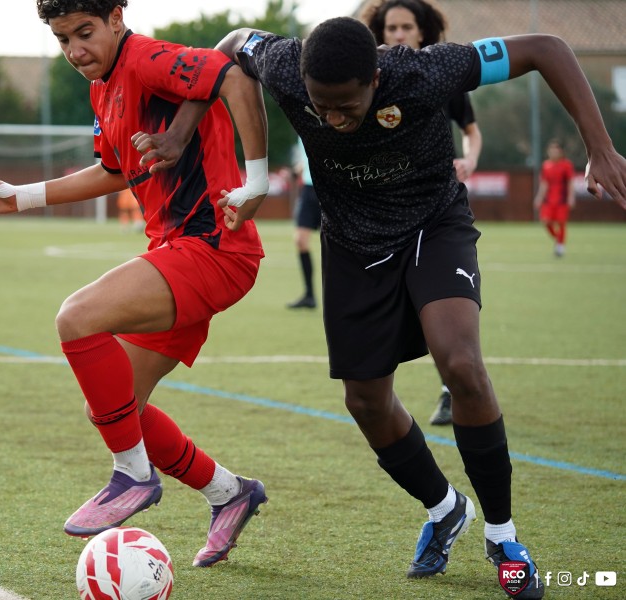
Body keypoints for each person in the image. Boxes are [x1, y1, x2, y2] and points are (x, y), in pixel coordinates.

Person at [135, 16, 626, 598]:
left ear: (374, 78)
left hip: (431, 226)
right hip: (351, 241)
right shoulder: (286, 64)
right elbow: (229, 47)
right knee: (365, 398)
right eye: (321, 107)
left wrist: (600, 146)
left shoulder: (425, 71)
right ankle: (445, 508)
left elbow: (548, 46)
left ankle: (502, 535)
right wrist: (186, 130)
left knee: (461, 365)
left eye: (346, 105)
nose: (333, 120)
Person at [0, 0, 270, 568]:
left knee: (76, 317)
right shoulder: (104, 86)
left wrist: (260, 178)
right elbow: (112, 170)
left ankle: (132, 476)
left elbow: (235, 76)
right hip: (178, 251)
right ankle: (230, 492)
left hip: (214, 248)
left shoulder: (147, 59)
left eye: (85, 33)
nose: (76, 51)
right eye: (62, 40)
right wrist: (21, 196)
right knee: (118, 403)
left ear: (117, 18)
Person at [361, 0, 485, 426]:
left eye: (405, 27)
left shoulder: (440, 75)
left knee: (438, 307)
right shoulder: (364, 82)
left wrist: (469, 158)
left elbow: (471, 131)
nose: (397, 35)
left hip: (434, 210)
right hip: (379, 215)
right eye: (390, 28)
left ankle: (452, 388)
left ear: (422, 33)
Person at [287, 138, 320, 309]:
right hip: (308, 187)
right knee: (300, 240)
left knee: (336, 245)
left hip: (329, 186)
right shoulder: (302, 125)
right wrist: (298, 168)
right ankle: (309, 295)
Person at [534, 139, 576, 257]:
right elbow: (544, 183)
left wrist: (571, 197)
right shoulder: (546, 165)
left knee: (561, 223)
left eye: (556, 150)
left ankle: (560, 246)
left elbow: (570, 182)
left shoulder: (566, 165)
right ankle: (559, 239)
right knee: (545, 221)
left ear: (561, 152)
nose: (553, 153)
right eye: (551, 150)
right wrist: (539, 198)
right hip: (548, 200)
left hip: (562, 199)